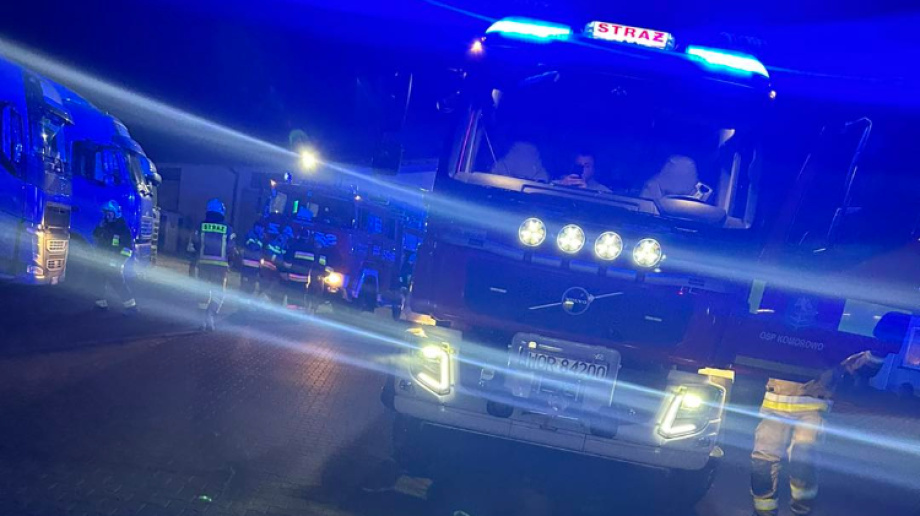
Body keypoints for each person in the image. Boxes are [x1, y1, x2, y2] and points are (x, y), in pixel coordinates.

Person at [750, 349, 887, 516]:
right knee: (763, 462)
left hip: (812, 408)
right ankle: (763, 511)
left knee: (803, 460)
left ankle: (800, 510)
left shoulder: (836, 341)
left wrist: (881, 349)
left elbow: (863, 364)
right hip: (776, 405)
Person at [190, 198, 235, 331]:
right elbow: (231, 248)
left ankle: (201, 321)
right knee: (218, 293)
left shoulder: (201, 226)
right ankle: (210, 316)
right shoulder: (228, 229)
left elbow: (195, 243)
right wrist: (230, 262)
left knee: (203, 292)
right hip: (220, 266)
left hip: (203, 263)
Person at [92, 200, 138, 314]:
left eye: (109, 213)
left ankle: (131, 307)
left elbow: (127, 249)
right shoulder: (106, 225)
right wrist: (100, 226)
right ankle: (100, 305)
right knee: (98, 281)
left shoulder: (122, 228)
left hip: (114, 261)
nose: (107, 216)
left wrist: (119, 262)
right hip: (102, 259)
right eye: (106, 214)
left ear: (116, 213)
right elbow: (95, 234)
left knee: (118, 284)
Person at [239, 221, 265, 299]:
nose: (261, 229)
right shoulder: (250, 234)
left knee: (252, 284)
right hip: (247, 263)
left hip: (255, 265)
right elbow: (252, 246)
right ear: (255, 227)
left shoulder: (262, 237)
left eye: (262, 228)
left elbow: (262, 250)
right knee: (244, 284)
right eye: (260, 227)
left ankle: (248, 300)